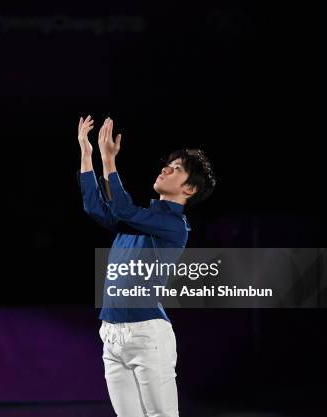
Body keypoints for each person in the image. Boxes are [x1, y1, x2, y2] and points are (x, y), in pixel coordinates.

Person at [76, 115, 216, 417]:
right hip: (111, 333)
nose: (165, 168)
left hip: (147, 336)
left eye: (177, 169)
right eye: (168, 164)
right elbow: (95, 206)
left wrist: (108, 159)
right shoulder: (137, 219)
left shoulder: (174, 226)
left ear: (189, 189)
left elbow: (121, 207)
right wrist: (87, 154)